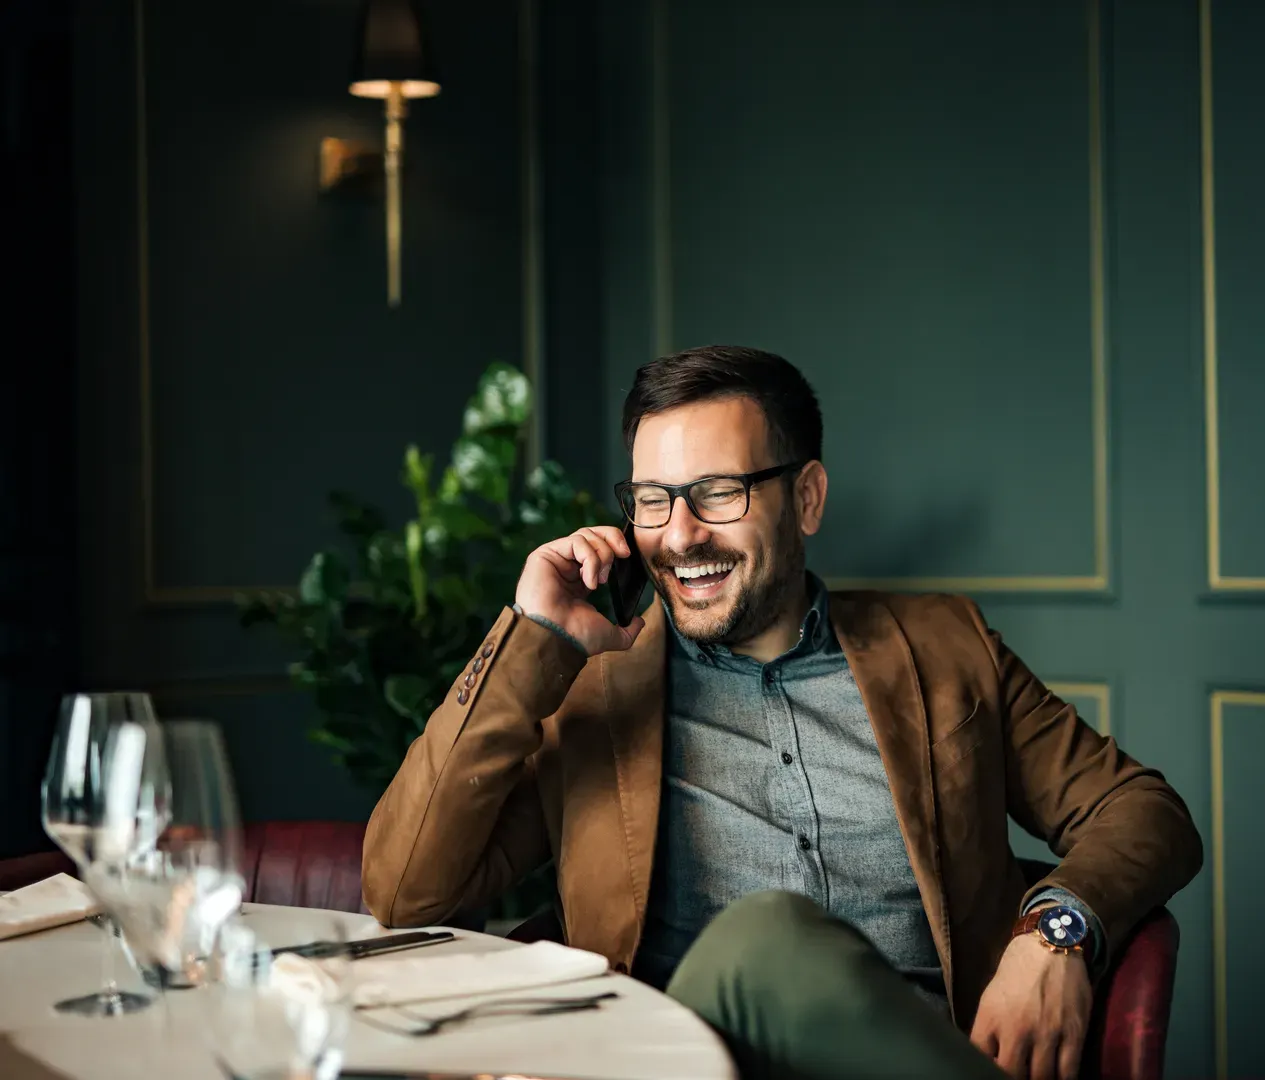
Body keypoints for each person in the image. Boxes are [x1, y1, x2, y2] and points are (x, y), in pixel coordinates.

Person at [361, 345, 1203, 1080]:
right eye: (651, 499)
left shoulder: (946, 647)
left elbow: (1142, 810)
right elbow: (405, 893)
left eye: (717, 492)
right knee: (760, 940)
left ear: (806, 498)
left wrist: (1056, 932)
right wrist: (532, 636)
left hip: (918, 1053)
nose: (679, 534)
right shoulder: (591, 688)